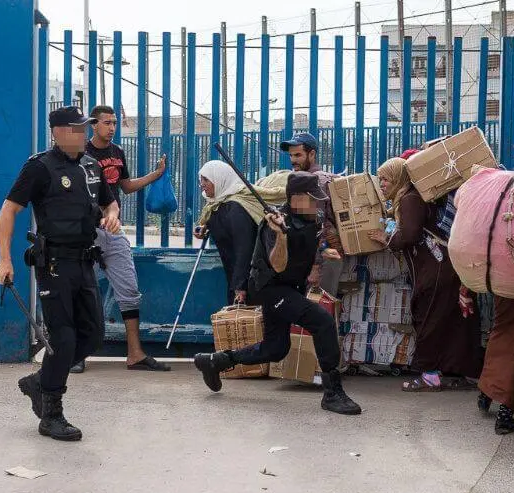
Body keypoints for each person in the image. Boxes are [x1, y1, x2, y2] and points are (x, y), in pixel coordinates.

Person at [0, 106, 120, 441]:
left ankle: (40, 381)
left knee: (92, 335)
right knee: (63, 337)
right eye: (77, 129)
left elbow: (110, 202)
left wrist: (112, 214)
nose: (82, 134)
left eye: (84, 128)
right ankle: (51, 413)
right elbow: (8, 210)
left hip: (85, 261)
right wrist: (3, 259)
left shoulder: (91, 167)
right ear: (58, 132)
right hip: (54, 265)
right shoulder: (40, 167)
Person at [192, 172, 361, 415]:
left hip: (292, 286)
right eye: (312, 200)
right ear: (296, 199)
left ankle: (214, 361)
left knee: (276, 347)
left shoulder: (314, 216)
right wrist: (281, 235)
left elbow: (313, 239)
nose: (317, 205)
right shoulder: (274, 224)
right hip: (270, 288)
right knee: (322, 322)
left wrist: (323, 253)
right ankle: (333, 393)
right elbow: (279, 265)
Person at [368, 158, 481, 392]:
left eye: (386, 179)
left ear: (399, 178)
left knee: (429, 319)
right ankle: (457, 373)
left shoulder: (410, 199)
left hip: (436, 268)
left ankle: (430, 374)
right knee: (453, 322)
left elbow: (409, 234)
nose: (383, 185)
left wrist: (386, 238)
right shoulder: (411, 197)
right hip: (445, 268)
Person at [73, 104, 170, 373]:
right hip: (86, 232)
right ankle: (78, 353)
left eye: (115, 123)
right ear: (94, 124)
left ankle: (135, 354)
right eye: (107, 123)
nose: (112, 128)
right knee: (80, 290)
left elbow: (124, 187)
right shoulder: (82, 154)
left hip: (113, 231)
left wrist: (155, 175)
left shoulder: (117, 152)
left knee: (128, 289)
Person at [193, 160, 286, 305]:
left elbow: (245, 248)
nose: (202, 184)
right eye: (201, 180)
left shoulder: (236, 208)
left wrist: (240, 286)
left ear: (220, 179)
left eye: (206, 179)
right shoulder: (217, 204)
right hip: (234, 278)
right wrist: (205, 228)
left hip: (249, 281)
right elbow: (221, 224)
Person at [280, 133, 342, 296]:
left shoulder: (316, 182)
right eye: (291, 155)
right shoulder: (305, 180)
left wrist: (315, 267)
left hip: (322, 259)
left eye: (298, 155)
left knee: (320, 310)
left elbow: (318, 226)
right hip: (315, 258)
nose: (293, 160)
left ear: (312, 154)